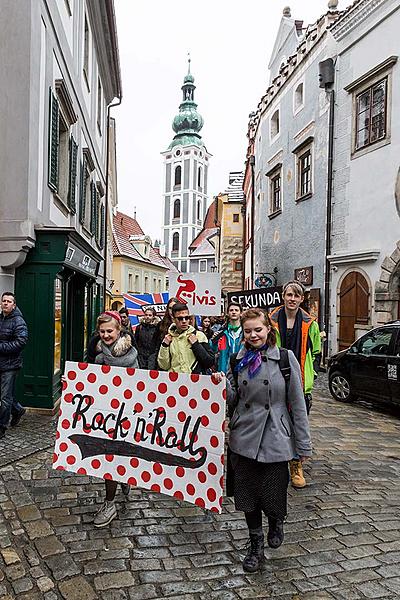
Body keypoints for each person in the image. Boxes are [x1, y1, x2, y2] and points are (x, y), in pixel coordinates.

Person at [217, 308, 311, 573]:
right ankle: (255, 544)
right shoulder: (238, 359)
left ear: (268, 329)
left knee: (272, 492)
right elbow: (233, 400)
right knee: (247, 496)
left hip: (276, 436)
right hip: (243, 436)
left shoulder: (284, 358)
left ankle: (276, 520)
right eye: (248, 331)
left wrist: (302, 445)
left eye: (258, 329)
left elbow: (297, 403)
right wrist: (222, 384)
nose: (253, 335)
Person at [88, 311, 139, 527]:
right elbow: (89, 378)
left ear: (119, 331)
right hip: (105, 413)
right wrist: (71, 381)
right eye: (102, 331)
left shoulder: (132, 357)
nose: (106, 335)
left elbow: (139, 386)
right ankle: (110, 502)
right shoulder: (98, 355)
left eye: (110, 331)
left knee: (119, 456)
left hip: (126, 413)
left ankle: (117, 489)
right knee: (109, 458)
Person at [270, 281, 321, 489]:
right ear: (283, 296)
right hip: (275, 378)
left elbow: (316, 352)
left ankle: (296, 465)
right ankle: (275, 460)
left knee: (298, 423)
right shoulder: (271, 320)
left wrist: (312, 375)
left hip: (300, 380)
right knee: (276, 422)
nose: (292, 299)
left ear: (302, 299)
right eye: (289, 294)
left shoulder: (311, 324)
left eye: (296, 296)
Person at [0, 292, 28, 438]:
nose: (5, 303)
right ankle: (17, 410)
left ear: (14, 305)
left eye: (9, 301)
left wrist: (1, 347)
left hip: (10, 365)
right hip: (1, 363)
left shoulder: (18, 321)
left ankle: (2, 427)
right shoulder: (1, 318)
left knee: (5, 397)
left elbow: (21, 342)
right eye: (3, 301)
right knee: (5, 395)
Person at [157, 303, 214, 374]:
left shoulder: (199, 335)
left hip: (194, 380)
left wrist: (196, 345)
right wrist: (164, 345)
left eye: (186, 318)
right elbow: (164, 366)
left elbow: (209, 362)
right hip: (175, 380)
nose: (184, 321)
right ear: (174, 319)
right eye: (180, 318)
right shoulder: (169, 338)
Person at [211, 302, 243, 373]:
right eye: (231, 310)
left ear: (241, 313)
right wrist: (214, 342)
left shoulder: (246, 333)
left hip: (242, 372)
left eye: (236, 310)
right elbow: (212, 350)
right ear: (228, 313)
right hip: (224, 372)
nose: (234, 312)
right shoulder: (221, 333)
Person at [153, 297, 178, 367]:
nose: (172, 310)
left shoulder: (184, 324)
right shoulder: (161, 325)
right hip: (163, 363)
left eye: (174, 307)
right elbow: (155, 345)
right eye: (170, 308)